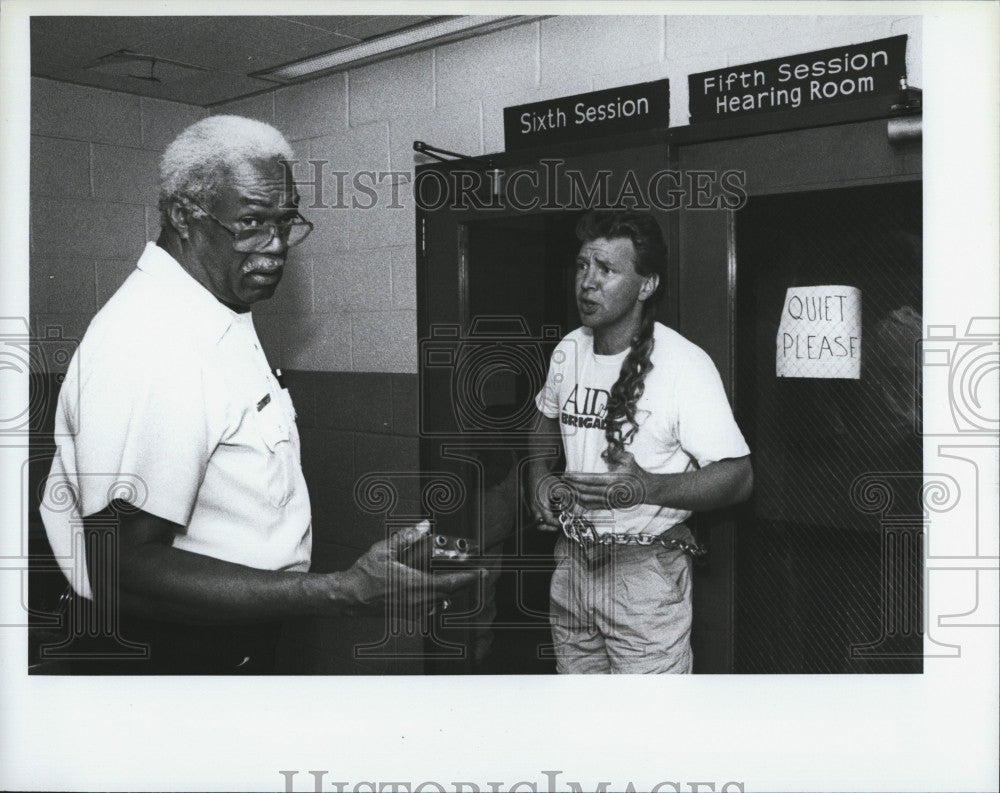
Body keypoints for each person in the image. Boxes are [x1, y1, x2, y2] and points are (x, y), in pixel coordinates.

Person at [39, 115, 478, 674]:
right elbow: (121, 568)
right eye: (250, 222)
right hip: (168, 654)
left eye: (285, 221)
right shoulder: (154, 342)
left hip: (224, 635)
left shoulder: (214, 312)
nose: (275, 246)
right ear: (183, 216)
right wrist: (344, 591)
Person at [527, 210, 753, 674]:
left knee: (647, 734)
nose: (587, 283)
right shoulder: (568, 350)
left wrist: (645, 486)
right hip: (572, 561)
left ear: (646, 285)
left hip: (643, 573)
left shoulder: (684, 365)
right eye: (582, 266)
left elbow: (739, 476)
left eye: (606, 270)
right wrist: (537, 477)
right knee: (582, 725)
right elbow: (543, 421)